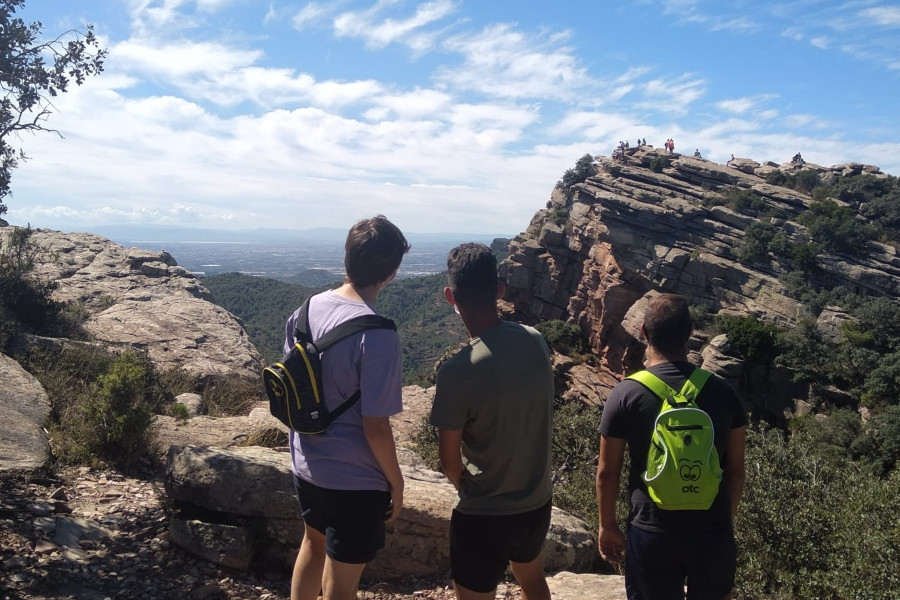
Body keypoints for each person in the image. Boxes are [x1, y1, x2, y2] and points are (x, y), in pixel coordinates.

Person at [287, 215, 409, 600]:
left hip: (307, 463)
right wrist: (397, 481)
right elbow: (376, 426)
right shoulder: (378, 335)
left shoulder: (305, 311)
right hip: (355, 480)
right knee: (343, 587)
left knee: (312, 545)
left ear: (348, 258)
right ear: (390, 273)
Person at [596, 293, 747, 600]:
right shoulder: (723, 392)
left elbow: (606, 471)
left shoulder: (625, 394)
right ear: (690, 331)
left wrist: (607, 525)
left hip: (651, 530)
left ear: (643, 333)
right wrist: (723, 521)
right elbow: (736, 470)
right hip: (711, 530)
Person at [430, 243, 555, 600]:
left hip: (483, 514)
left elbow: (449, 460)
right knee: (531, 577)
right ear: (499, 290)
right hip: (536, 505)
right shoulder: (536, 341)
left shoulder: (457, 371)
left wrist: (469, 489)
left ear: (450, 296)